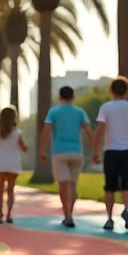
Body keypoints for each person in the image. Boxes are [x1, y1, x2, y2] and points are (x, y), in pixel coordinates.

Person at [91, 76, 128, 230]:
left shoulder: (106, 108)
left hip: (111, 150)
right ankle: (126, 210)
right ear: (126, 91)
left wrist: (95, 150)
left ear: (111, 91)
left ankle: (109, 218)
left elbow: (100, 130)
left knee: (109, 187)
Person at [39, 86, 93, 227]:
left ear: (59, 97)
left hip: (60, 151)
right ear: (73, 96)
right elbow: (88, 130)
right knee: (73, 184)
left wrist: (41, 150)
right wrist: (94, 149)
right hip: (76, 151)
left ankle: (67, 214)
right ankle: (71, 212)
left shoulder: (54, 112)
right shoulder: (80, 112)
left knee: (63, 185)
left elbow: (46, 130)